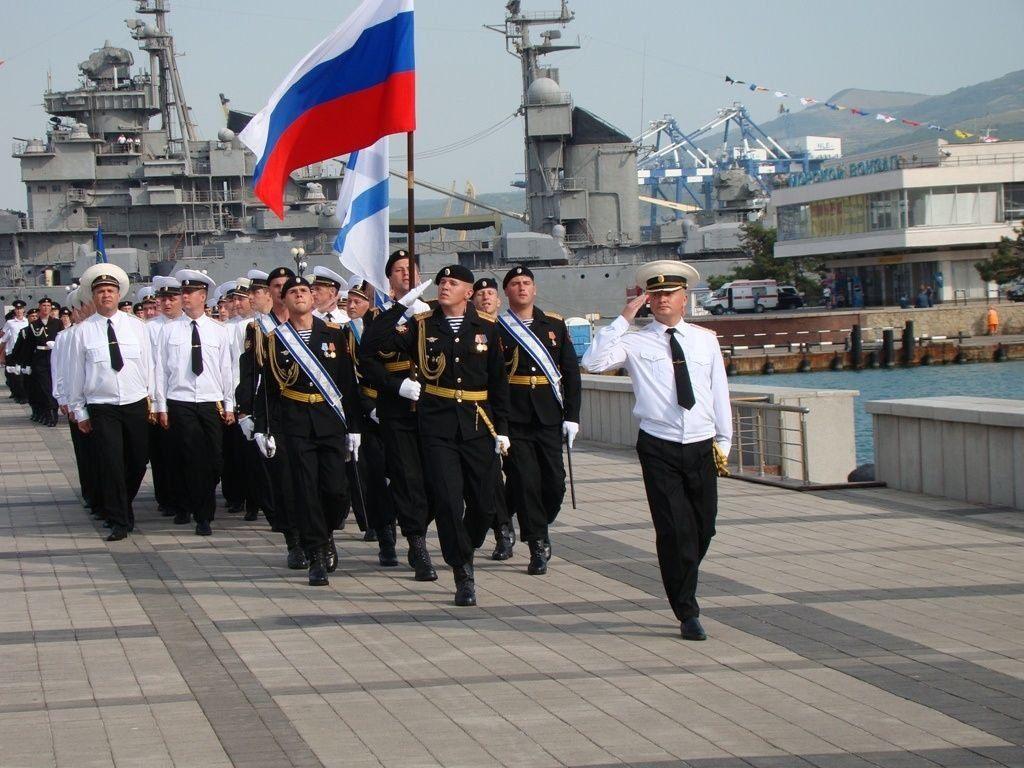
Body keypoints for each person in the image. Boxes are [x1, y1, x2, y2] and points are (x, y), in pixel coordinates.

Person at [581, 260, 732, 641]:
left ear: (685, 298)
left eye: (670, 293)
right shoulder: (633, 340)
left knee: (704, 527)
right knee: (674, 529)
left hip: (700, 443)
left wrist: (724, 440)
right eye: (656, 294)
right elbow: (593, 362)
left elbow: (719, 392)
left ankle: (683, 575)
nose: (663, 299)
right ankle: (687, 610)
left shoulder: (704, 339)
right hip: (658, 445)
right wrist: (622, 319)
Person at [362, 264, 510, 607]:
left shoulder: (487, 328)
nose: (444, 286)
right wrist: (400, 306)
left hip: (477, 423)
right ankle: (462, 572)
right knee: (446, 499)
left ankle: (466, 545)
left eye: (452, 283)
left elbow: (499, 386)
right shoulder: (420, 325)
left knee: (484, 504)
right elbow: (371, 347)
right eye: (441, 282)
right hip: (437, 426)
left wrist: (503, 430)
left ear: (468, 292)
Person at [251, 275, 362, 586]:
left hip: (329, 421)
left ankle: (326, 532)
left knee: (336, 490)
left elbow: (347, 385)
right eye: (292, 292)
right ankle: (316, 554)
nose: (299, 295)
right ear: (283, 301)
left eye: (304, 291)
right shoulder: (275, 340)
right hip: (295, 423)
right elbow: (268, 389)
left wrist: (354, 427)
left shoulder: (335, 335)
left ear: (313, 299)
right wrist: (262, 426)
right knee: (306, 490)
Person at [358, 250, 439, 582]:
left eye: (412, 269)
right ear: (389, 278)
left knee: (436, 481)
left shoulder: (436, 313)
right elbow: (368, 357)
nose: (407, 274)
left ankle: (408, 520)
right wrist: (395, 386)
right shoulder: (378, 316)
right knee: (408, 479)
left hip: (435, 410)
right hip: (397, 409)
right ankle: (418, 544)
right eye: (399, 270)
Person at [498, 265, 582, 575]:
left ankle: (537, 524)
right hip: (515, 416)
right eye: (515, 283)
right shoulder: (497, 328)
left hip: (548, 415)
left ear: (534, 290)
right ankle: (537, 542)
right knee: (525, 481)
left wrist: (572, 416)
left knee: (554, 483)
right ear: (506, 291)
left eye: (526, 283)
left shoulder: (555, 326)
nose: (521, 288)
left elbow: (571, 373)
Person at [66, 264, 152, 541]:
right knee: (111, 462)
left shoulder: (136, 327)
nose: (106, 295)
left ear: (119, 295)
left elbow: (149, 365)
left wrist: (156, 400)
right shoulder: (83, 331)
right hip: (102, 405)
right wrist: (79, 410)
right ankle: (118, 519)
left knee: (138, 461)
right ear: (94, 297)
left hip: (135, 401)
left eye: (111, 290)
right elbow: (75, 372)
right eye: (101, 291)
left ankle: (123, 501)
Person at [153, 270, 235, 536]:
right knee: (189, 457)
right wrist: (161, 406)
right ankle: (201, 515)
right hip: (181, 400)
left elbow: (226, 370)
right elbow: (160, 370)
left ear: (203, 297)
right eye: (183, 293)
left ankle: (200, 498)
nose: (184, 297)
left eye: (190, 293)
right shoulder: (168, 331)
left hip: (211, 402)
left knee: (214, 459)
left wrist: (230, 404)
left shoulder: (218, 331)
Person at [236, 267, 307, 567]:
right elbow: (249, 371)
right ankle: (294, 541)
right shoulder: (259, 329)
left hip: (311, 412)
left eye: (285, 285)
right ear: (268, 292)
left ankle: (320, 534)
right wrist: (246, 411)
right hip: (276, 414)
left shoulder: (314, 325)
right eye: (275, 286)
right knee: (286, 482)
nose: (280, 290)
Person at [343, 280, 399, 566]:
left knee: (404, 476)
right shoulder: (347, 334)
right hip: (369, 413)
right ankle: (386, 536)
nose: (352, 306)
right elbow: (348, 381)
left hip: (399, 409)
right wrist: (368, 408)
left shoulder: (397, 326)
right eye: (350, 301)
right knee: (375, 477)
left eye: (359, 300)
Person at [471, 275, 517, 560]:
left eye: (490, 293)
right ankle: (502, 533)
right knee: (489, 479)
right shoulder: (470, 330)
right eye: (480, 294)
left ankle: (507, 524)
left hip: (516, 412)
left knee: (518, 477)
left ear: (498, 300)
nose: (486, 297)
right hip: (481, 411)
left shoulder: (511, 330)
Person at [146, 276, 184, 518]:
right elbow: (149, 365)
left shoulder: (189, 325)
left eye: (172, 298)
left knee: (186, 452)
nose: (167, 303)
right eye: (163, 299)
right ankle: (167, 497)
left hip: (183, 397)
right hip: (157, 399)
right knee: (162, 453)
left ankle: (187, 496)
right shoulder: (149, 328)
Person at [2, 300, 29, 403]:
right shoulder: (10, 323)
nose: (19, 311)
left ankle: (25, 394)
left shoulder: (27, 321)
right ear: (14, 310)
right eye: (17, 309)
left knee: (24, 374)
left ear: (23, 310)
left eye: (20, 309)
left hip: (25, 351)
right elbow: (3, 334)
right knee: (15, 376)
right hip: (14, 352)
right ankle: (20, 395)